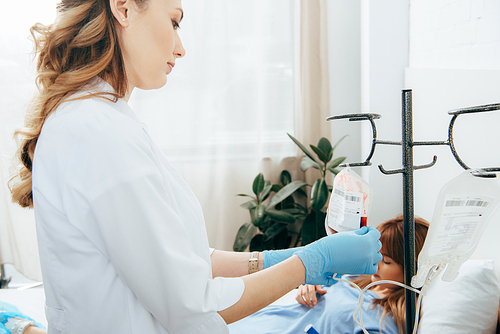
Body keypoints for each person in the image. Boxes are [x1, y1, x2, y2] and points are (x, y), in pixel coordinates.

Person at [8, 1, 382, 333]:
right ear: (122, 8)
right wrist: (312, 262)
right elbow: (193, 308)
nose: (181, 48)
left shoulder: (102, 121)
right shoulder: (97, 132)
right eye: (174, 22)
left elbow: (189, 261)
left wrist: (286, 257)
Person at [228, 216, 430, 334]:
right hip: (264, 322)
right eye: (377, 254)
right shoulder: (356, 278)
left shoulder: (384, 320)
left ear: (414, 269)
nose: (376, 263)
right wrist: (308, 284)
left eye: (386, 261)